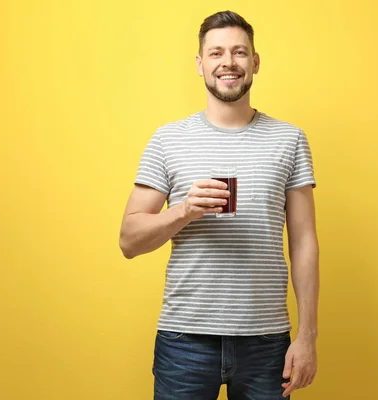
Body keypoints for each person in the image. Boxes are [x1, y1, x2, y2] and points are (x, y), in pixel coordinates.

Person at [119, 10, 319, 399]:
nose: (228, 62)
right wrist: (184, 211)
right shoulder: (168, 140)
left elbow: (304, 242)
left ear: (255, 62)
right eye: (216, 53)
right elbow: (129, 240)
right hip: (185, 341)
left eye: (239, 52)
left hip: (267, 340)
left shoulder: (289, 140)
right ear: (200, 64)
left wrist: (308, 337)